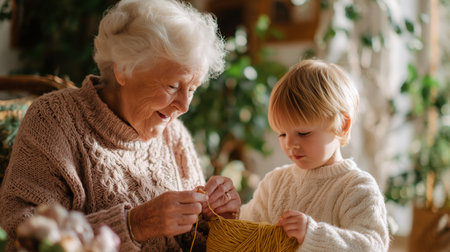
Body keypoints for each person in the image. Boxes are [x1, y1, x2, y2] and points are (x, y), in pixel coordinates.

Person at [0, 0, 241, 251]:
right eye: (171, 86)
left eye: (191, 89)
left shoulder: (174, 134)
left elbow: (196, 243)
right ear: (123, 70)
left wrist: (218, 220)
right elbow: (21, 237)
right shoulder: (53, 120)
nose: (184, 106)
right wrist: (134, 225)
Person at [239, 59, 390, 251]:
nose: (290, 144)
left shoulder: (357, 187)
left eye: (303, 133)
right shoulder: (274, 183)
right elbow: (246, 228)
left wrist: (314, 234)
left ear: (343, 126)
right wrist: (226, 212)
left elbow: (373, 247)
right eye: (282, 134)